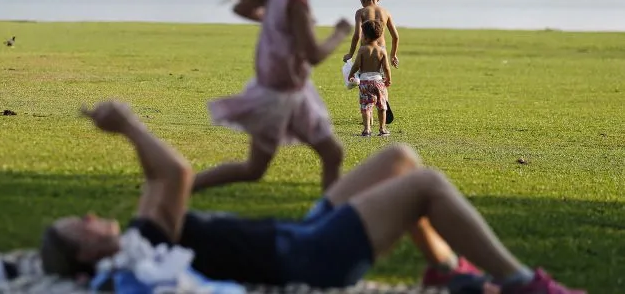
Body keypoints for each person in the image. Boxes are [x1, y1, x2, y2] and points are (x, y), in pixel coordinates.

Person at [40, 100, 586, 294]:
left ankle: (444, 271)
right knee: (426, 185)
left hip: (299, 235)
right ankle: (523, 284)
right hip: (311, 257)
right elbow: (176, 174)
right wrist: (129, 126)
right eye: (78, 225)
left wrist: (131, 134)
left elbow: (161, 179)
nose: (89, 215)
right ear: (85, 253)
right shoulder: (140, 253)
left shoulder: (141, 239)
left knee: (399, 158)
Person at [192, 0, 352, 193]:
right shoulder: (296, 0)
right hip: (278, 99)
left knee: (328, 154)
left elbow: (242, 7)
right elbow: (313, 55)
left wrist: (274, 22)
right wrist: (339, 33)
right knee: (263, 168)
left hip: (289, 93)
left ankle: (329, 213)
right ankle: (182, 187)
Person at [348, 19, 391, 137]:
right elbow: (386, 67)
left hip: (365, 82)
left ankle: (367, 129)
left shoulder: (362, 50)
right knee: (382, 106)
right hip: (378, 81)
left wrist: (351, 74)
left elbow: (357, 65)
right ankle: (382, 129)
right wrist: (388, 79)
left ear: (365, 37)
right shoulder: (382, 51)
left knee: (366, 106)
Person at [342, 0, 400, 70]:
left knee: (364, 77)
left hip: (365, 50)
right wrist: (393, 55)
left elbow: (357, 35)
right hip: (381, 50)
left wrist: (350, 54)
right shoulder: (385, 12)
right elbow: (395, 36)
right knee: (381, 77)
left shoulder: (360, 12)